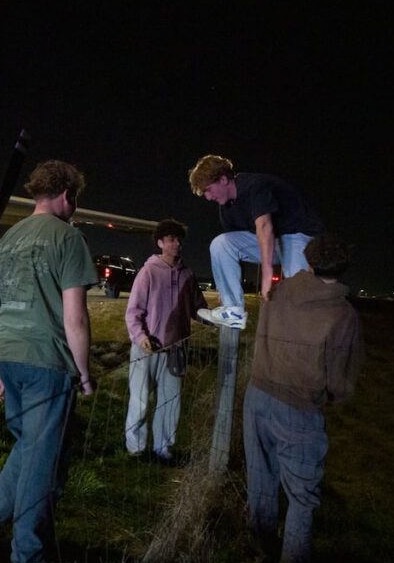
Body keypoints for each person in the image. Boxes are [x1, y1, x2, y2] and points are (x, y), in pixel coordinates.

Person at [0, 159, 97, 563]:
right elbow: (75, 318)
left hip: (8, 353)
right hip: (47, 361)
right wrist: (85, 371)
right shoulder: (69, 238)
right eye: (75, 198)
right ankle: (28, 559)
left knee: (29, 446)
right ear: (66, 195)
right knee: (43, 462)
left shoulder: (7, 241)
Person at [243, 234, 362, 563]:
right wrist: (334, 395)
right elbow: (340, 376)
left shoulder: (276, 292)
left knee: (261, 478)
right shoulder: (342, 314)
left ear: (309, 262)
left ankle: (260, 551)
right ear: (342, 268)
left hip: (258, 394)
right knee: (302, 495)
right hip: (299, 407)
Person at [188, 155, 324, 328]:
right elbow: (235, 252)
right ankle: (233, 312)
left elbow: (265, 226)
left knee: (298, 294)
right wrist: (227, 290)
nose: (208, 197)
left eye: (208, 189)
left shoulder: (254, 185)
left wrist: (267, 275)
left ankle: (308, 333)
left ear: (223, 179)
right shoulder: (226, 209)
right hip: (274, 240)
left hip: (299, 235)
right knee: (221, 244)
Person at [124, 219, 207, 463]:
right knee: (139, 400)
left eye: (179, 239)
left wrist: (217, 318)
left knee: (170, 402)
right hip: (146, 349)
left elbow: (198, 308)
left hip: (176, 349)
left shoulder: (188, 275)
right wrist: (140, 337)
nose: (176, 243)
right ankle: (136, 449)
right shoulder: (148, 272)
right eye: (171, 239)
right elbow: (133, 311)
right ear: (160, 242)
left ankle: (164, 449)